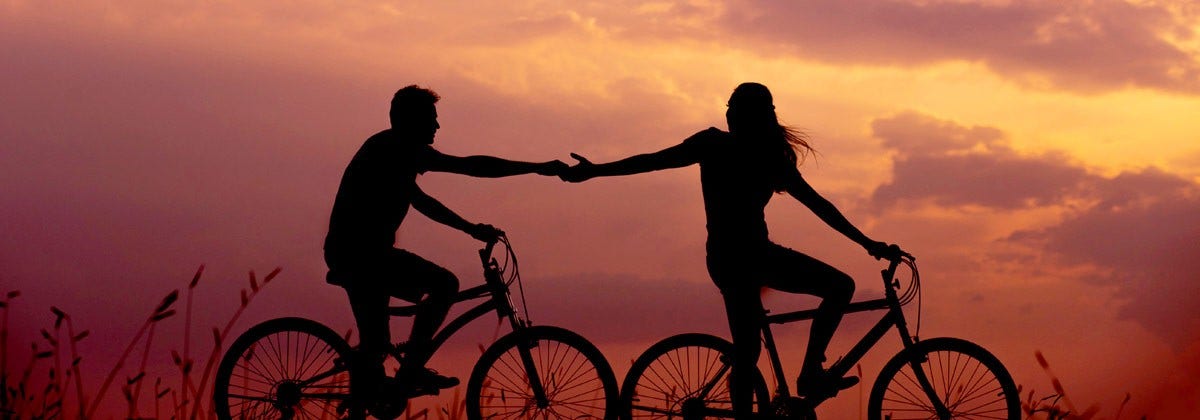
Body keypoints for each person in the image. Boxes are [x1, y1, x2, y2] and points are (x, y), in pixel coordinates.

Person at [561, 82, 904, 418]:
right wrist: (595, 171)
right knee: (831, 292)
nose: (728, 112)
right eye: (729, 106)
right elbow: (652, 161)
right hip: (744, 258)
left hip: (738, 258)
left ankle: (805, 374)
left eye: (734, 107)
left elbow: (819, 205)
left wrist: (867, 243)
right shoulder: (733, 149)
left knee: (752, 346)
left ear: (749, 115)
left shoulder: (751, 154)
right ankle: (810, 372)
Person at [324, 85, 566, 401]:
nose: (437, 126)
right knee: (444, 285)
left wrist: (470, 228)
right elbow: (472, 166)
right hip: (360, 257)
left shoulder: (392, 152)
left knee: (376, 347)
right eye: (431, 118)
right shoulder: (395, 148)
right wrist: (536, 167)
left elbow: (420, 200)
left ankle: (381, 381)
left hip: (366, 256)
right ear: (411, 120)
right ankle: (409, 370)